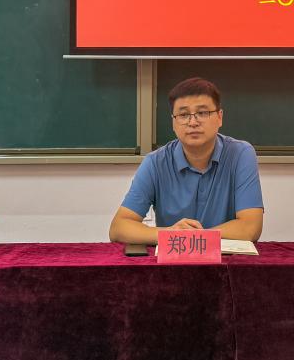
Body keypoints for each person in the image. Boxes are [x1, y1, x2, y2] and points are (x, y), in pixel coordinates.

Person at [108, 77, 264, 245]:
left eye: (202, 113)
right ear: (173, 122)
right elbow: (119, 227)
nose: (193, 122)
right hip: (175, 257)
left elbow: (250, 227)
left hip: (226, 258)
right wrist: (170, 233)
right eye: (183, 115)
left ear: (220, 117)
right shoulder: (155, 162)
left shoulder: (241, 154)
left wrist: (194, 238)